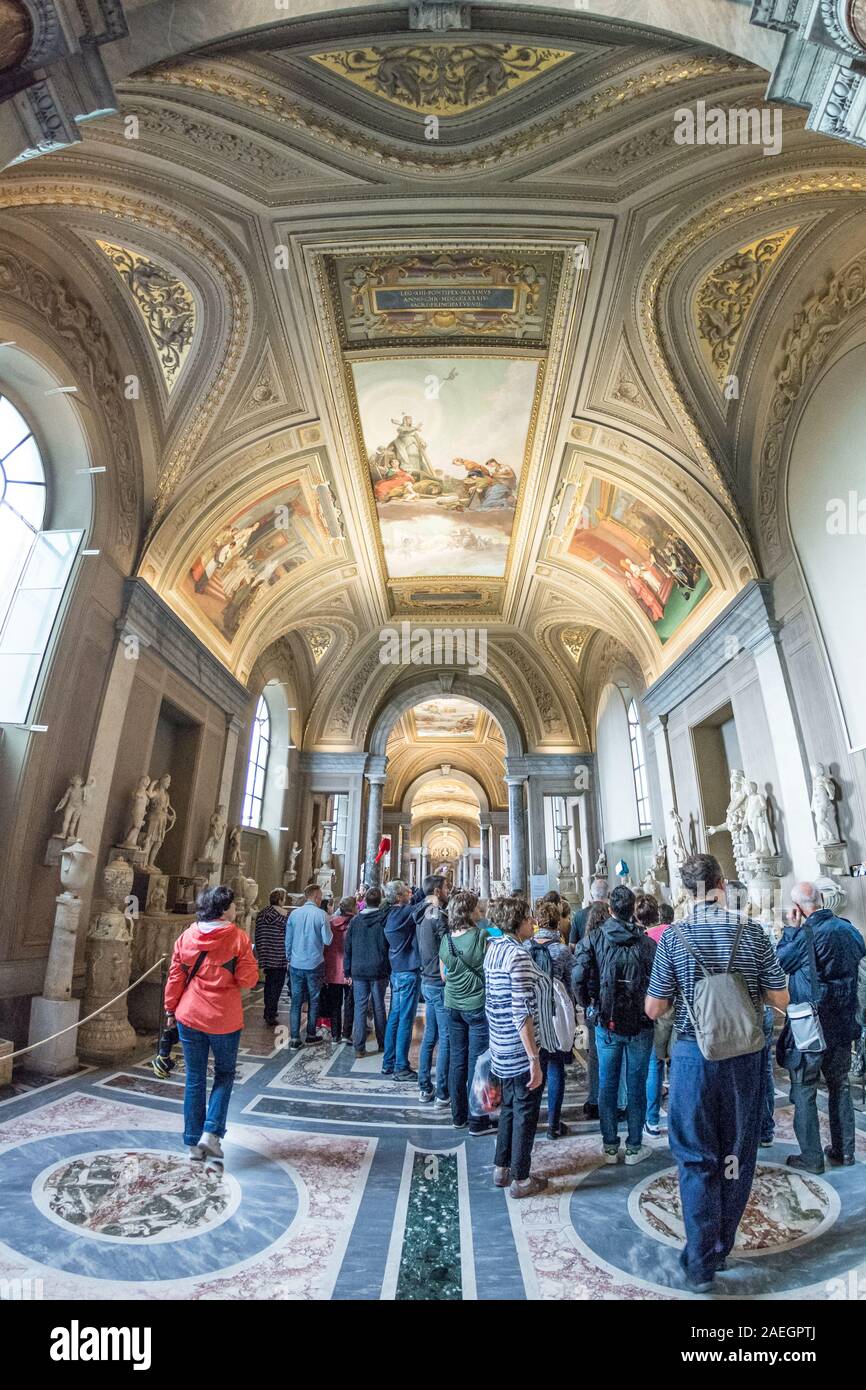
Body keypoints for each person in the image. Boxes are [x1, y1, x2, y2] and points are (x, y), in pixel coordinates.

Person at [646, 853, 788, 1293]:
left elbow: (655, 1006)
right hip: (744, 1056)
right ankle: (722, 1246)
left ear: (687, 890)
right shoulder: (752, 931)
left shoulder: (674, 937)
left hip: (693, 1056)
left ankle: (700, 1258)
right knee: (735, 1154)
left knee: (695, 1155)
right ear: (721, 883)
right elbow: (780, 998)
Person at [164, 884, 260, 1161]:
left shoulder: (187, 936)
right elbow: (247, 980)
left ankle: (194, 1144)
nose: (235, 909)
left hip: (190, 1015)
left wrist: (170, 1008)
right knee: (224, 1074)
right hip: (224, 1018)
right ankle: (212, 1133)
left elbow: (175, 977)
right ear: (223, 908)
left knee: (195, 1078)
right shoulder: (238, 938)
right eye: (232, 905)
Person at [777, 881, 865, 1172]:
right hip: (843, 1021)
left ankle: (812, 1158)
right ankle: (845, 1151)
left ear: (799, 908)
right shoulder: (849, 928)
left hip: (811, 1026)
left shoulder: (805, 935)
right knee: (839, 1085)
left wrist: (790, 929)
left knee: (804, 1088)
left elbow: (782, 962)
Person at [574, 884, 656, 1166]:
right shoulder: (647, 943)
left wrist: (589, 1005)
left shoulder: (594, 938)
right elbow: (659, 983)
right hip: (641, 1024)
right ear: (633, 910)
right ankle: (634, 1146)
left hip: (606, 1023)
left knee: (607, 1085)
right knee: (636, 1085)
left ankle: (610, 1146)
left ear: (610, 910)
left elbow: (578, 976)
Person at [484, 896, 546, 1196]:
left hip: (499, 1043)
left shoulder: (492, 951)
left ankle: (502, 1166)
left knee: (509, 1106)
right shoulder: (517, 956)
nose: (532, 922)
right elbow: (521, 1012)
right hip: (518, 1047)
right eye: (527, 917)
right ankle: (521, 1178)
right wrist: (534, 1057)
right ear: (516, 922)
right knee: (525, 1110)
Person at [440, 889, 493, 1134]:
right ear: (471, 912)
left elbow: (443, 975)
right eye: (477, 909)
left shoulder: (446, 940)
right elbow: (497, 946)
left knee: (457, 1061)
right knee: (477, 1063)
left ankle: (457, 1116)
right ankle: (476, 1119)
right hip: (476, 1006)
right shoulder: (482, 935)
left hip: (452, 1005)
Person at [532, 901, 576, 1139]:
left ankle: (531, 1117)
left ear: (537, 922)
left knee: (536, 1063)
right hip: (556, 1013)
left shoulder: (526, 946)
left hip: (534, 1014)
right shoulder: (562, 950)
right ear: (557, 922)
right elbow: (571, 983)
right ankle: (553, 1124)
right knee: (556, 1065)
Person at [635, 894, 672, 1136]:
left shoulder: (642, 940)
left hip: (653, 1005)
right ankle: (682, 1118)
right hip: (677, 1005)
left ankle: (652, 1119)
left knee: (654, 1064)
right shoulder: (673, 933)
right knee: (678, 1062)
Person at [416, 874, 451, 1106]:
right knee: (446, 1037)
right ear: (437, 891)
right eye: (446, 887)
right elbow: (446, 950)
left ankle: (424, 1086)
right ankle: (442, 1091)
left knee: (431, 1034)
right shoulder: (439, 915)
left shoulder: (420, 913)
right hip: (438, 982)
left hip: (426, 980)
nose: (449, 890)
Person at [382, 880, 422, 1080]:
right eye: (406, 890)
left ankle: (388, 1062)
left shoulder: (391, 914)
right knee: (405, 1019)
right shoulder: (403, 913)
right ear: (399, 897)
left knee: (395, 1018)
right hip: (407, 971)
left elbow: (415, 900)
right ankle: (401, 1067)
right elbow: (421, 904)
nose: (410, 892)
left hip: (397, 971)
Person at [573, 898, 609, 1120]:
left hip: (594, 1006)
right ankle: (616, 1100)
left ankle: (595, 1098)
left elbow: (578, 979)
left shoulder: (585, 944)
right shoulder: (613, 941)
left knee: (595, 1055)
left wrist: (584, 1002)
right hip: (614, 1004)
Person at [343, 885, 390, 1056]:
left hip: (358, 969)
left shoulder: (355, 921)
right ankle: (383, 1044)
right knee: (379, 1007)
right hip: (378, 969)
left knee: (360, 1007)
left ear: (364, 901)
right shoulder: (383, 920)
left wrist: (347, 971)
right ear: (380, 901)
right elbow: (387, 945)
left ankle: (359, 1047)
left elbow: (347, 947)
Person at [285, 883, 333, 1049]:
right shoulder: (321, 915)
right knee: (314, 999)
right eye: (320, 897)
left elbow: (288, 940)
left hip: (296, 963)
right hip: (314, 963)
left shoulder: (294, 914)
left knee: (296, 1001)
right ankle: (311, 1034)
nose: (321, 900)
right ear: (315, 897)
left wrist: (289, 958)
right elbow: (328, 940)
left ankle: (294, 1038)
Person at [323, 896, 356, 1044]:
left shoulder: (330, 923)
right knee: (349, 1003)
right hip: (350, 969)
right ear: (353, 908)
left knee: (335, 1003)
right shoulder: (355, 923)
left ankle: (335, 1035)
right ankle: (346, 1034)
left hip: (332, 968)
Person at [254, 887, 289, 1026]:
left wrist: (261, 952)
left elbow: (258, 934)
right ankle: (271, 1012)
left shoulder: (262, 914)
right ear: (280, 900)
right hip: (279, 955)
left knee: (269, 984)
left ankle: (268, 1009)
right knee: (277, 985)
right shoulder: (284, 916)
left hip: (266, 954)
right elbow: (288, 936)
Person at [570, 879, 608, 945]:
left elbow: (572, 945)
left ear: (591, 893)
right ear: (609, 894)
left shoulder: (578, 915)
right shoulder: (613, 914)